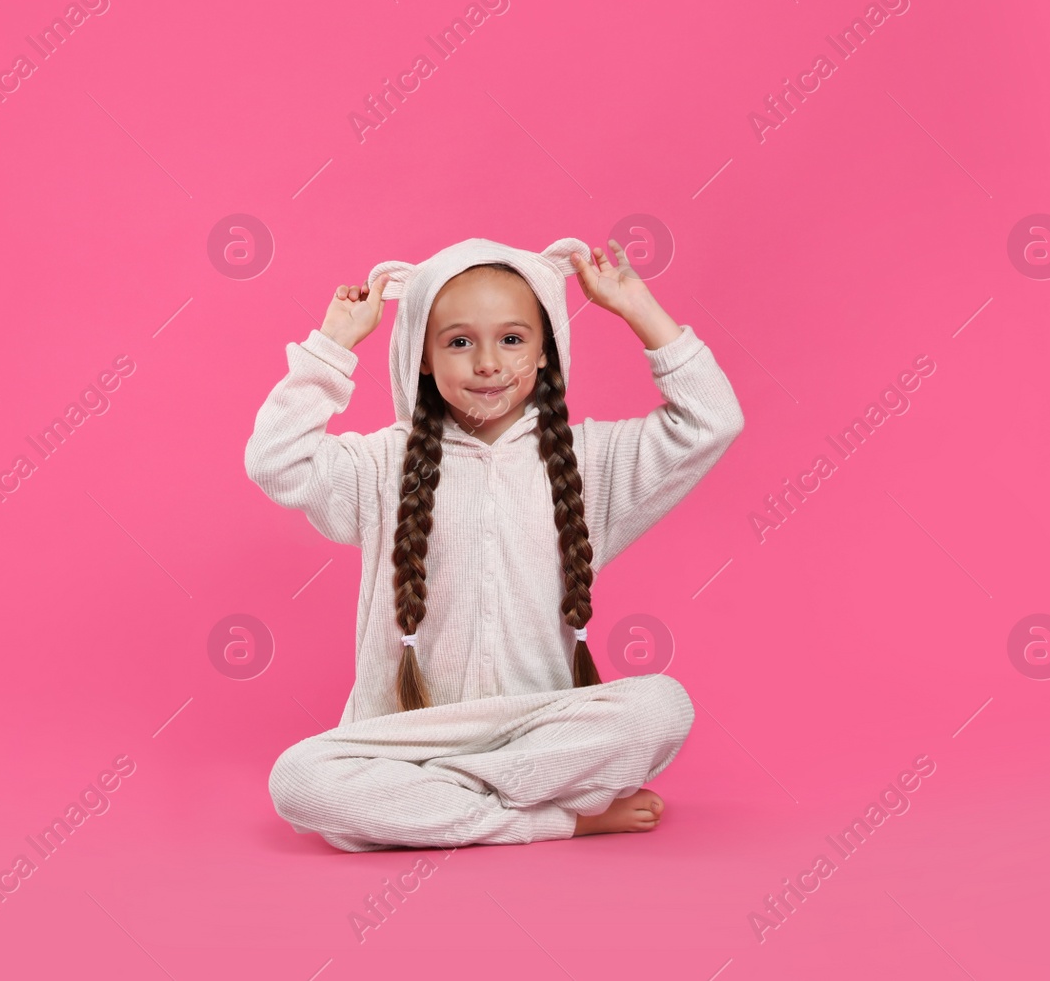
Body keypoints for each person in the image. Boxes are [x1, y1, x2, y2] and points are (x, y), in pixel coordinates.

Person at [244, 235, 746, 851]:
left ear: (543, 352)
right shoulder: (378, 465)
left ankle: (434, 807)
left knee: (664, 706)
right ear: (421, 357)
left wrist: (639, 311)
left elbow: (711, 420)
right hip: (405, 736)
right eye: (459, 342)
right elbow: (275, 459)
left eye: (512, 339)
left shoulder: (590, 462)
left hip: (537, 725)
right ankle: (549, 818)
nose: (488, 363)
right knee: (299, 781)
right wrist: (333, 346)